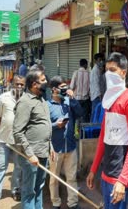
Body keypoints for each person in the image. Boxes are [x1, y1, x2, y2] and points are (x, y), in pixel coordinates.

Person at [86, 52, 128, 209]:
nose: (108, 74)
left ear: (123, 72)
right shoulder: (109, 99)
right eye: (107, 69)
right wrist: (93, 169)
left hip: (118, 178)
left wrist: (123, 180)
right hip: (105, 174)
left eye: (113, 69)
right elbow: (103, 138)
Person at [0, 75, 26, 208]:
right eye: (16, 84)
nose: (19, 86)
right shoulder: (4, 97)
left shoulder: (27, 99)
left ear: (24, 85)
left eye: (21, 84)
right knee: (1, 166)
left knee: (18, 167)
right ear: (12, 84)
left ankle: (15, 190)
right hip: (3, 139)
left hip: (19, 140)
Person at [13, 69, 51, 209]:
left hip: (43, 152)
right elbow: (18, 132)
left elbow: (44, 125)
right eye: (43, 80)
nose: (46, 82)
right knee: (29, 191)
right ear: (34, 84)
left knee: (39, 187)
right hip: (31, 155)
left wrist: (50, 147)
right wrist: (30, 154)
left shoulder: (41, 99)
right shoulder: (25, 102)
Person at [47, 76, 84, 209]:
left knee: (72, 177)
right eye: (62, 88)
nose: (65, 90)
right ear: (54, 89)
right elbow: (44, 128)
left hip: (71, 147)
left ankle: (73, 203)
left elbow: (80, 113)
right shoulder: (47, 106)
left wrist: (73, 99)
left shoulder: (69, 102)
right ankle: (56, 203)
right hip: (55, 149)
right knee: (54, 178)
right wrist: (56, 125)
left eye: (66, 87)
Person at [90, 53, 105, 120]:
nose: (101, 61)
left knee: (96, 112)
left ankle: (93, 127)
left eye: (102, 60)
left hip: (97, 94)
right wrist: (100, 95)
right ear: (96, 61)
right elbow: (96, 84)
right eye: (99, 60)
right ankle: (92, 128)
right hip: (97, 95)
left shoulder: (98, 70)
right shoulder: (95, 70)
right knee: (95, 112)